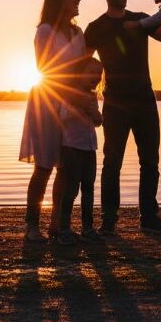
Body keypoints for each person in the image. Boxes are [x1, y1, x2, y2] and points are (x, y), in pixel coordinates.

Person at [84, 0, 161, 236]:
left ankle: (149, 217)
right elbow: (81, 64)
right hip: (115, 103)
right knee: (111, 162)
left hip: (145, 101)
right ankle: (108, 219)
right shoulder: (95, 27)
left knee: (150, 161)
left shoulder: (141, 20)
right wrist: (87, 97)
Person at [19, 0, 87, 243]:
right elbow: (46, 67)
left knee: (67, 168)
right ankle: (32, 226)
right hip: (47, 102)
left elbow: (80, 69)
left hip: (72, 104)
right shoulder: (45, 31)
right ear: (60, 1)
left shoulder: (78, 32)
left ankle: (59, 226)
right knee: (45, 166)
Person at [54, 57, 104, 246]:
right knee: (71, 189)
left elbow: (98, 122)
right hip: (71, 148)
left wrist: (95, 113)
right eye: (91, 72)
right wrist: (80, 108)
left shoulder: (92, 97)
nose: (96, 76)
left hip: (90, 148)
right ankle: (64, 229)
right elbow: (63, 117)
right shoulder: (69, 95)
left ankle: (87, 228)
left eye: (98, 73)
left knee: (89, 189)